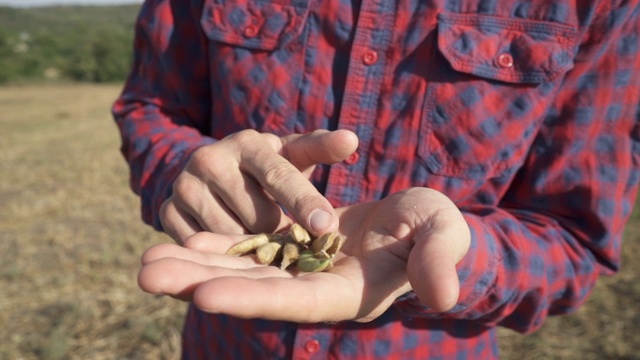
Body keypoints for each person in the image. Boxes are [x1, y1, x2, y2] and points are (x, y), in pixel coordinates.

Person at [112, 0, 640, 358]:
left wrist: (451, 255)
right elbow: (151, 108)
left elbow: (574, 237)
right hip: (226, 340)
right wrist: (187, 172)